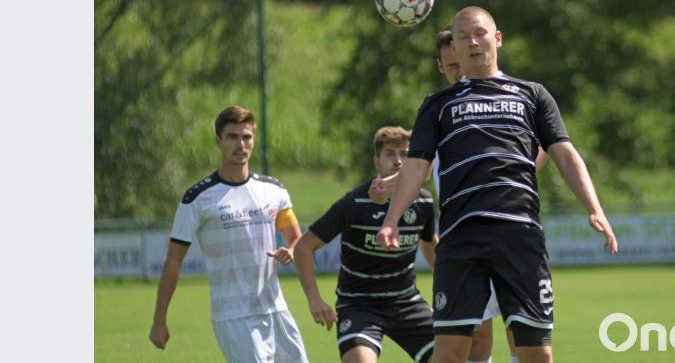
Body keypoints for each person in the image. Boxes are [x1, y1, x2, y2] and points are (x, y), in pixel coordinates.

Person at [375, 7, 618, 363]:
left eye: (480, 33)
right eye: (462, 37)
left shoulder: (532, 94)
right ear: (454, 49)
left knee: (536, 353)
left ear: (497, 38)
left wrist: (594, 209)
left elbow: (565, 154)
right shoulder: (437, 105)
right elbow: (416, 165)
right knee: (450, 354)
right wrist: (391, 219)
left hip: (520, 235)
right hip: (461, 239)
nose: (472, 42)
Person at [370, 28, 549, 363]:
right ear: (441, 66)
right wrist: (390, 185)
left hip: (508, 228)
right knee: (476, 333)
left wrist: (510, 174)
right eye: (452, 65)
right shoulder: (442, 109)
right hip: (462, 231)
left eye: (461, 62)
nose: (459, 70)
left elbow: (543, 147)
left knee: (519, 331)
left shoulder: (504, 100)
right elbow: (421, 166)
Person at [149, 105, 309, 363]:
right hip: (233, 316)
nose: (241, 144)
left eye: (247, 137)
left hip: (276, 309)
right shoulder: (197, 199)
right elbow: (173, 262)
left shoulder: (274, 190)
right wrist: (159, 321)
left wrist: (290, 250)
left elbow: (297, 240)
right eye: (232, 137)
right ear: (218, 141)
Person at [294, 126, 438, 363]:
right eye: (390, 154)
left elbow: (430, 244)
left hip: (406, 302)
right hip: (358, 306)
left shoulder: (424, 201)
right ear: (376, 161)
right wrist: (314, 299)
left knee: (450, 356)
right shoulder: (355, 203)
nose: (398, 161)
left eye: (405, 154)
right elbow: (303, 247)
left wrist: (449, 287)